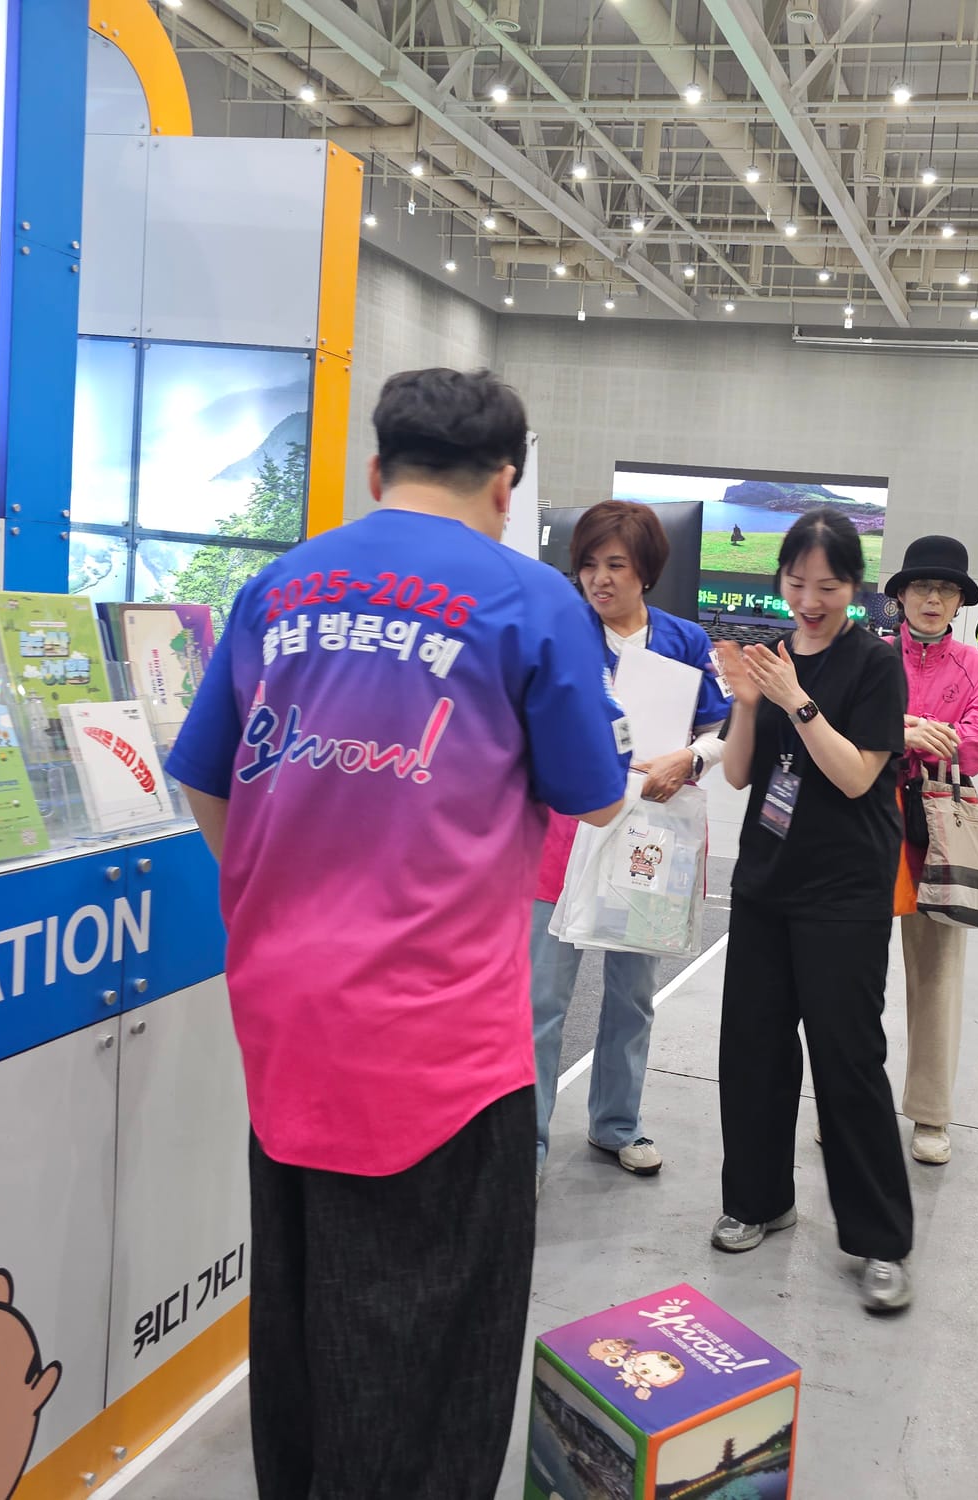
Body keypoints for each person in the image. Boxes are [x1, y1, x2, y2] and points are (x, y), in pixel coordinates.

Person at [167, 368, 631, 1497]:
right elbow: (597, 795)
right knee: (436, 1354)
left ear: (376, 471)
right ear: (506, 484)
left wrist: (285, 897)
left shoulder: (278, 588)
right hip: (439, 1047)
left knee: (299, 1319)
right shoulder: (528, 603)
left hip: (283, 1021)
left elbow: (204, 779)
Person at [710, 508, 916, 1315]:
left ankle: (879, 1239)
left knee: (847, 1059)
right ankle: (759, 1199)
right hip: (766, 883)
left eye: (827, 585)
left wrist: (796, 700)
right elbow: (736, 777)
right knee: (753, 1049)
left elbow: (857, 777)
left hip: (844, 892)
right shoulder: (768, 657)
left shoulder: (874, 665)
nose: (809, 599)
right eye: (796, 583)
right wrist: (747, 701)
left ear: (853, 587)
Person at [531, 502, 730, 1188]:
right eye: (588, 564)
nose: (599, 579)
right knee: (542, 997)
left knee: (632, 993)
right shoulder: (556, 634)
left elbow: (722, 729)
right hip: (560, 840)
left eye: (615, 564)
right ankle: (527, 1142)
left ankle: (616, 1123)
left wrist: (692, 759)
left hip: (648, 840)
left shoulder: (683, 641)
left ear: (645, 570)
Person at [882, 535, 978, 1164]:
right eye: (922, 587)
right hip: (869, 823)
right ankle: (855, 1102)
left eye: (946, 589)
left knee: (938, 974)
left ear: (959, 600)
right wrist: (904, 729)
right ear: (900, 594)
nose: (933, 598)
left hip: (939, 825)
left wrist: (921, 740)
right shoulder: (871, 656)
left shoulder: (973, 665)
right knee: (851, 976)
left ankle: (930, 1114)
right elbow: (848, 723)